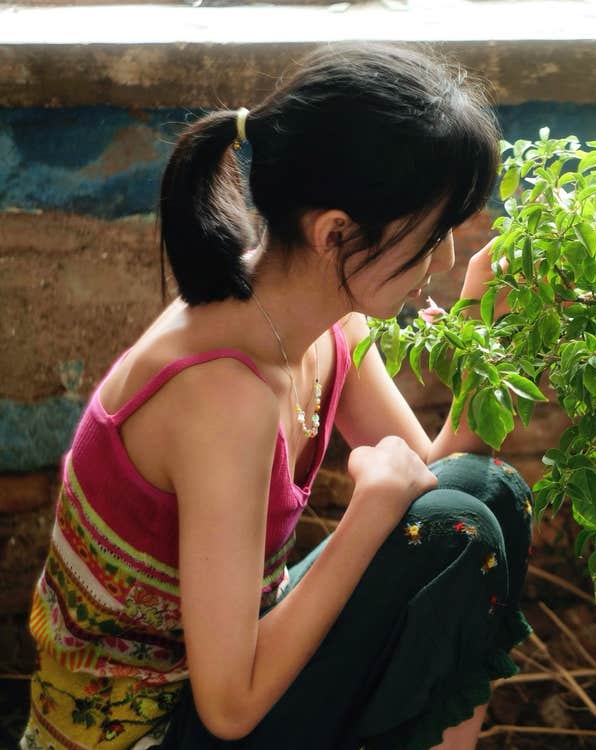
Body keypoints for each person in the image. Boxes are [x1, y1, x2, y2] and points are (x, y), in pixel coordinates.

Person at [22, 43, 533, 750]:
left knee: (487, 495)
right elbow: (230, 705)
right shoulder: (219, 396)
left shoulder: (324, 321)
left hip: (227, 687)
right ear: (335, 233)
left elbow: (438, 471)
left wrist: (487, 315)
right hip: (145, 730)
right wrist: (369, 511)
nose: (442, 261)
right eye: (431, 236)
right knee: (457, 527)